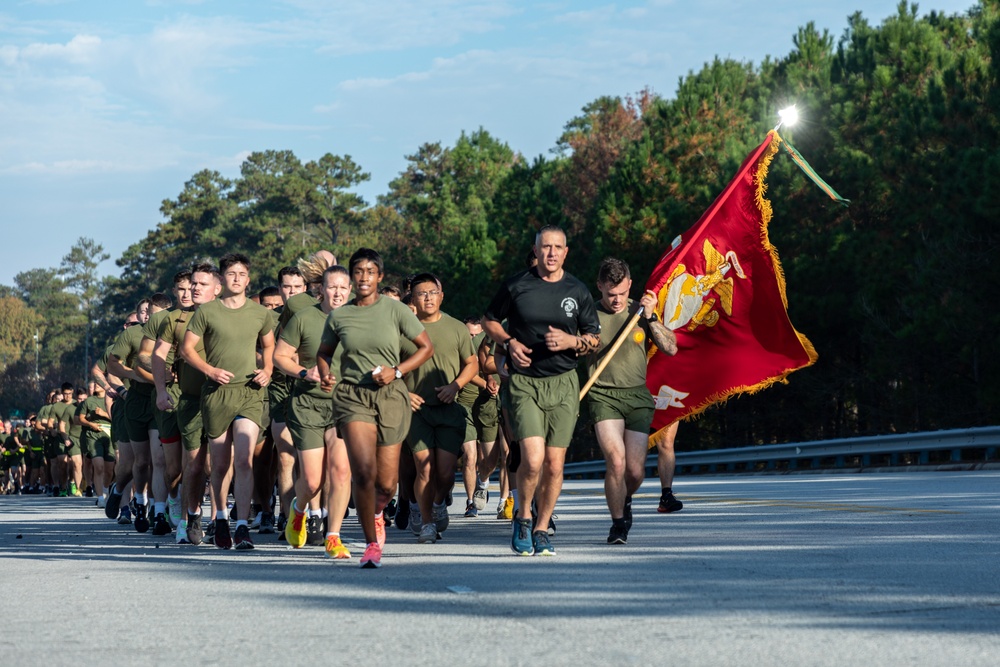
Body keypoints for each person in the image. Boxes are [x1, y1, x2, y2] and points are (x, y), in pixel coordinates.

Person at [482, 226, 601, 557]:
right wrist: (509, 342)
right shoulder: (517, 285)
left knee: (554, 464)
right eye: (544, 247)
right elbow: (489, 320)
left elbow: (595, 338)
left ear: (566, 251)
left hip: (563, 382)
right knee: (532, 460)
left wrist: (571, 341)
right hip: (525, 382)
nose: (551, 253)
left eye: (557, 247)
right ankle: (523, 518)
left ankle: (541, 527)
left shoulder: (577, 291)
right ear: (535, 250)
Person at [315, 248, 433, 568]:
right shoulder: (340, 316)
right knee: (364, 472)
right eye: (358, 271)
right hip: (353, 396)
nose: (364, 277)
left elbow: (426, 348)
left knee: (386, 484)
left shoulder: (394, 311)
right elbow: (324, 352)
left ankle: (379, 511)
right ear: (352, 278)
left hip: (391, 396)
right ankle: (370, 544)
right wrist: (325, 374)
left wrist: (396, 371)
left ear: (380, 277)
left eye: (370, 271)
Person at [180, 253, 275, 551]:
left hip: (249, 392)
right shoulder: (207, 312)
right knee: (220, 464)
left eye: (242, 274)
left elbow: (270, 345)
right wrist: (210, 370)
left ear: (248, 278)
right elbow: (187, 349)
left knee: (245, 459)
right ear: (223, 279)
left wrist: (268, 370)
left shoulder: (261, 314)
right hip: (217, 394)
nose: (237, 278)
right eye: (231, 273)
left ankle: (243, 525)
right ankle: (221, 518)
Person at [585, 257, 678, 544]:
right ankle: (617, 525)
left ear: (630, 286)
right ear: (599, 286)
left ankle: (624, 500)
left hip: (637, 396)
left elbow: (671, 348)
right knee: (616, 460)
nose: (617, 300)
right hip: (602, 394)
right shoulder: (587, 313)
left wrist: (650, 317)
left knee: (635, 471)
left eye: (622, 293)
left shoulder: (640, 310)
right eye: (611, 294)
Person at [274, 265, 353, 558]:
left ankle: (333, 536)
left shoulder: (358, 319)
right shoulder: (305, 318)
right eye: (332, 287)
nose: (337, 293)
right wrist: (305, 372)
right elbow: (280, 357)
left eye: (343, 288)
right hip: (308, 404)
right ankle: (298, 510)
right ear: (320, 289)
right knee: (311, 480)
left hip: (344, 404)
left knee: (342, 470)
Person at [401, 273, 479, 543]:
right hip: (415, 411)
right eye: (421, 293)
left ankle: (436, 504)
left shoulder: (457, 328)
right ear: (413, 299)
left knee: (445, 474)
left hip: (448, 409)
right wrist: (404, 393)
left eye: (432, 292)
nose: (427, 298)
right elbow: (389, 368)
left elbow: (472, 364)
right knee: (424, 467)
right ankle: (425, 523)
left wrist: (455, 386)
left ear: (441, 296)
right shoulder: (403, 328)